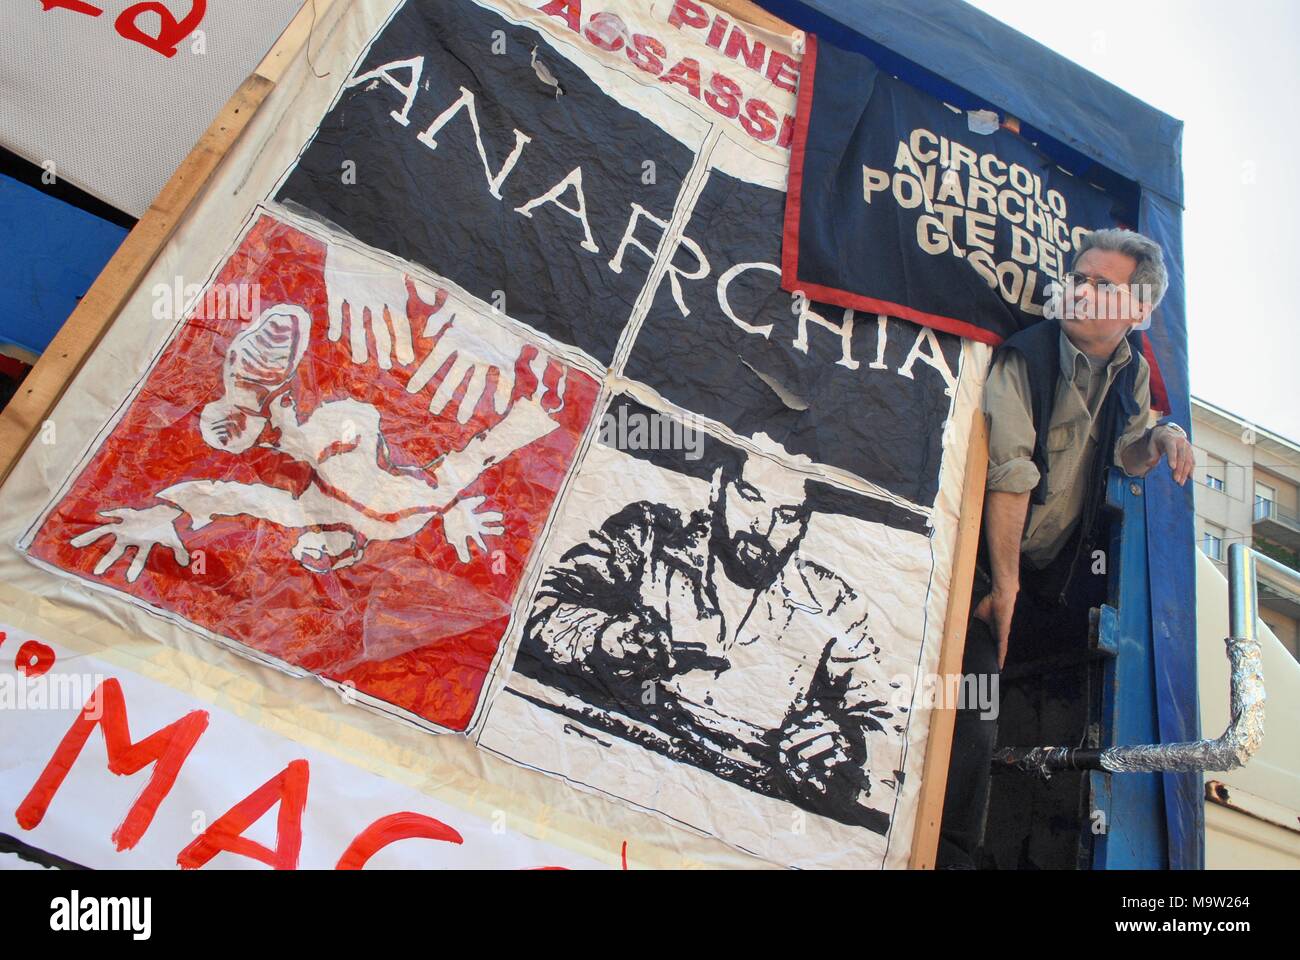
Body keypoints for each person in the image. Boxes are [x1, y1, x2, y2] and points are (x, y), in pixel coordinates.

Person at [936, 228, 1194, 869]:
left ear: (1138, 309)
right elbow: (1012, 475)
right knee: (971, 721)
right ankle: (946, 858)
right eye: (1076, 278)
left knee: (1015, 731)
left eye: (1100, 284)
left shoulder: (1131, 370)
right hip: (981, 570)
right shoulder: (1028, 355)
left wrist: (1162, 438)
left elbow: (1127, 457)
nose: (1078, 290)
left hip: (1036, 578)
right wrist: (1004, 588)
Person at [516, 437, 899, 829]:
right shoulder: (649, 534)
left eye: (786, 516)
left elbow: (891, 726)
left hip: (742, 818)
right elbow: (537, 606)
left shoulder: (834, 605)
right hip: (603, 774)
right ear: (719, 487)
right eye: (750, 498)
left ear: (803, 524)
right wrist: (604, 637)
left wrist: (848, 746)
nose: (762, 529)